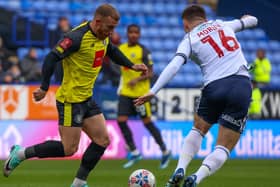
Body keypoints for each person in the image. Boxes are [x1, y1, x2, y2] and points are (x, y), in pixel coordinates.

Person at [3, 4, 147, 187]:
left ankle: (79, 183)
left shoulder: (103, 36)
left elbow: (112, 50)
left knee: (102, 140)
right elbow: (51, 58)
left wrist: (131, 65)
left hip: (87, 98)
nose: (112, 32)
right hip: (71, 100)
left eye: (114, 28)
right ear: (97, 21)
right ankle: (21, 153)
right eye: (109, 27)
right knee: (68, 148)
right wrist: (45, 87)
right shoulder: (76, 38)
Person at [134, 5, 258, 187]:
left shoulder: (189, 39)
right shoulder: (223, 25)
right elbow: (254, 20)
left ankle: (180, 168)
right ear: (204, 18)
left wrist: (153, 91)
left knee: (198, 128)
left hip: (214, 86)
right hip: (241, 84)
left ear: (186, 25)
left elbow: (174, 66)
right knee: (224, 146)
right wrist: (246, 19)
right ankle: (197, 177)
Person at [117, 24, 171, 169]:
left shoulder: (144, 51)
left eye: (136, 33)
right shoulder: (121, 49)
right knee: (121, 120)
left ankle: (165, 150)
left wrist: (137, 79)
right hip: (125, 93)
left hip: (141, 95)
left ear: (139, 35)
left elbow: (151, 73)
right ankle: (134, 151)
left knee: (147, 123)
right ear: (127, 33)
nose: (134, 35)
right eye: (131, 32)